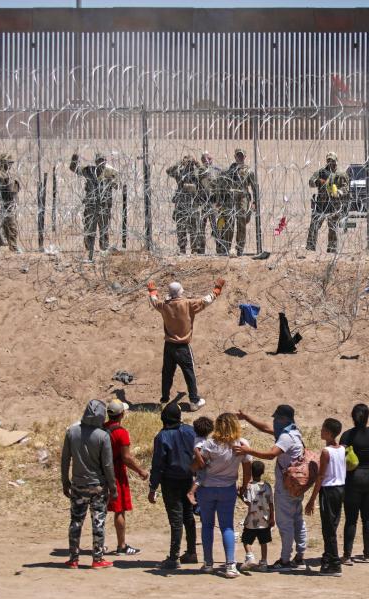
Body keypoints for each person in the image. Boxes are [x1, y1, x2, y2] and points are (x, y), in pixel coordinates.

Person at [235, 406, 308, 570]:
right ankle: (300, 556)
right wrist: (246, 416)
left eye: (276, 418)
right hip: (297, 486)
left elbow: (270, 454)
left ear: (283, 419)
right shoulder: (295, 432)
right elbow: (265, 427)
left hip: (286, 488)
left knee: (285, 524)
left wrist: (248, 450)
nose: (273, 422)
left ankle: (285, 560)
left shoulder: (285, 437)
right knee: (298, 520)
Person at [147, 277, 224, 411]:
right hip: (183, 347)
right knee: (189, 374)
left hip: (168, 346)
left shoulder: (164, 305)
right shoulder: (188, 304)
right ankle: (194, 401)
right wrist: (217, 290)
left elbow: (154, 301)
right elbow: (206, 300)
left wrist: (153, 291)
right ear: (180, 292)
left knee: (167, 374)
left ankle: (164, 400)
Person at [193, 412, 252, 578]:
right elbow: (247, 469)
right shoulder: (241, 444)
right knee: (227, 526)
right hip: (228, 488)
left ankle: (208, 563)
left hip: (207, 488)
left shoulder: (210, 443)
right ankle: (230, 565)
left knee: (207, 525)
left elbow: (200, 465)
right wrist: (244, 486)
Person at [60, 400, 116, 569]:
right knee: (98, 521)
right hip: (98, 486)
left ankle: (73, 558)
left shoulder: (72, 432)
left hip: (77, 485)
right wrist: (113, 487)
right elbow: (107, 465)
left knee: (76, 521)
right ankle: (97, 558)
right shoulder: (103, 436)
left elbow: (65, 460)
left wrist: (65, 481)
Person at [148, 400, 197, 570]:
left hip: (170, 482)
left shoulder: (162, 436)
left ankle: (174, 557)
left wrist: (153, 487)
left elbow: (158, 464)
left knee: (176, 519)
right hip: (189, 479)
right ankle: (191, 552)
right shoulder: (190, 431)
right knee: (188, 516)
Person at [340, 403, 369, 564]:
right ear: (368, 417)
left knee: (351, 519)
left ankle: (346, 555)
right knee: (368, 518)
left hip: (353, 479)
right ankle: (367, 554)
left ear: (352, 417)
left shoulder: (346, 436)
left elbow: (341, 460)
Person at [105, 399, 149, 556]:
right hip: (117, 473)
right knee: (119, 509)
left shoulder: (101, 429)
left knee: (101, 509)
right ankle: (121, 545)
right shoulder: (121, 433)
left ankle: (99, 543)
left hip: (102, 472)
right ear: (121, 414)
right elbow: (126, 458)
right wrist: (141, 471)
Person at [304, 418, 346, 576]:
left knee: (328, 528)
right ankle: (328, 557)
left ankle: (334, 564)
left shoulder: (326, 452)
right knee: (332, 525)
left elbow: (321, 477)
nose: (320, 431)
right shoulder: (342, 448)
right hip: (340, 489)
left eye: (323, 429)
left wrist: (311, 499)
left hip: (329, 491)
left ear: (328, 432)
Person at [70, 151, 119, 261]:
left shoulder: (110, 172)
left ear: (106, 162)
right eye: (99, 161)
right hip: (91, 206)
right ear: (96, 162)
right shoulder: (89, 170)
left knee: (104, 231)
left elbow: (118, 185)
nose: (101, 163)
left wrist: (112, 180)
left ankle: (104, 254)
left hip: (104, 206)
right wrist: (75, 156)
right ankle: (90, 253)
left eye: (103, 161)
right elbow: (73, 168)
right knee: (89, 231)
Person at [181, 415, 214, 564]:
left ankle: (191, 493)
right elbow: (201, 456)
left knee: (199, 479)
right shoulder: (205, 441)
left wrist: (200, 463)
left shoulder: (197, 441)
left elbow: (198, 456)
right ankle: (194, 496)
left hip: (200, 472)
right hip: (208, 475)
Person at [216, 148, 259, 257]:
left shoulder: (249, 172)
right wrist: (220, 201)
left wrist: (255, 203)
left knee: (241, 222)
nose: (239, 157)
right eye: (238, 156)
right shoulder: (230, 171)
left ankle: (240, 248)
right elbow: (222, 186)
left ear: (244, 157)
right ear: (235, 157)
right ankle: (227, 247)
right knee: (228, 223)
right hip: (230, 198)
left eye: (241, 156)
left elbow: (255, 188)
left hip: (242, 198)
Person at [307, 152, 349, 253]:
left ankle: (332, 249)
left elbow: (346, 188)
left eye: (333, 161)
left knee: (332, 228)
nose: (331, 163)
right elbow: (311, 182)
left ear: (336, 161)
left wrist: (338, 192)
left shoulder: (341, 174)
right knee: (314, 226)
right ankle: (310, 247)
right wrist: (318, 181)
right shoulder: (321, 172)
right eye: (329, 160)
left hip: (334, 205)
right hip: (321, 204)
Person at [241, 460, 274, 573]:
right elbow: (271, 503)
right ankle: (264, 562)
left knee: (246, 540)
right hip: (264, 520)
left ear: (251, 472)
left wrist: (239, 494)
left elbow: (248, 502)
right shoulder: (268, 486)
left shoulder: (249, 487)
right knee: (263, 542)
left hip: (251, 520)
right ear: (263, 472)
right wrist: (272, 518)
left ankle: (250, 556)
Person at [166, 154, 202, 254]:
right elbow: (168, 171)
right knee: (181, 227)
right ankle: (182, 249)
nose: (189, 164)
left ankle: (194, 249)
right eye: (187, 162)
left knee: (194, 227)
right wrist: (179, 162)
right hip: (181, 202)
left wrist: (197, 163)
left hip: (193, 202)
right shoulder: (180, 173)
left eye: (190, 162)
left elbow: (205, 173)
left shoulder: (196, 172)